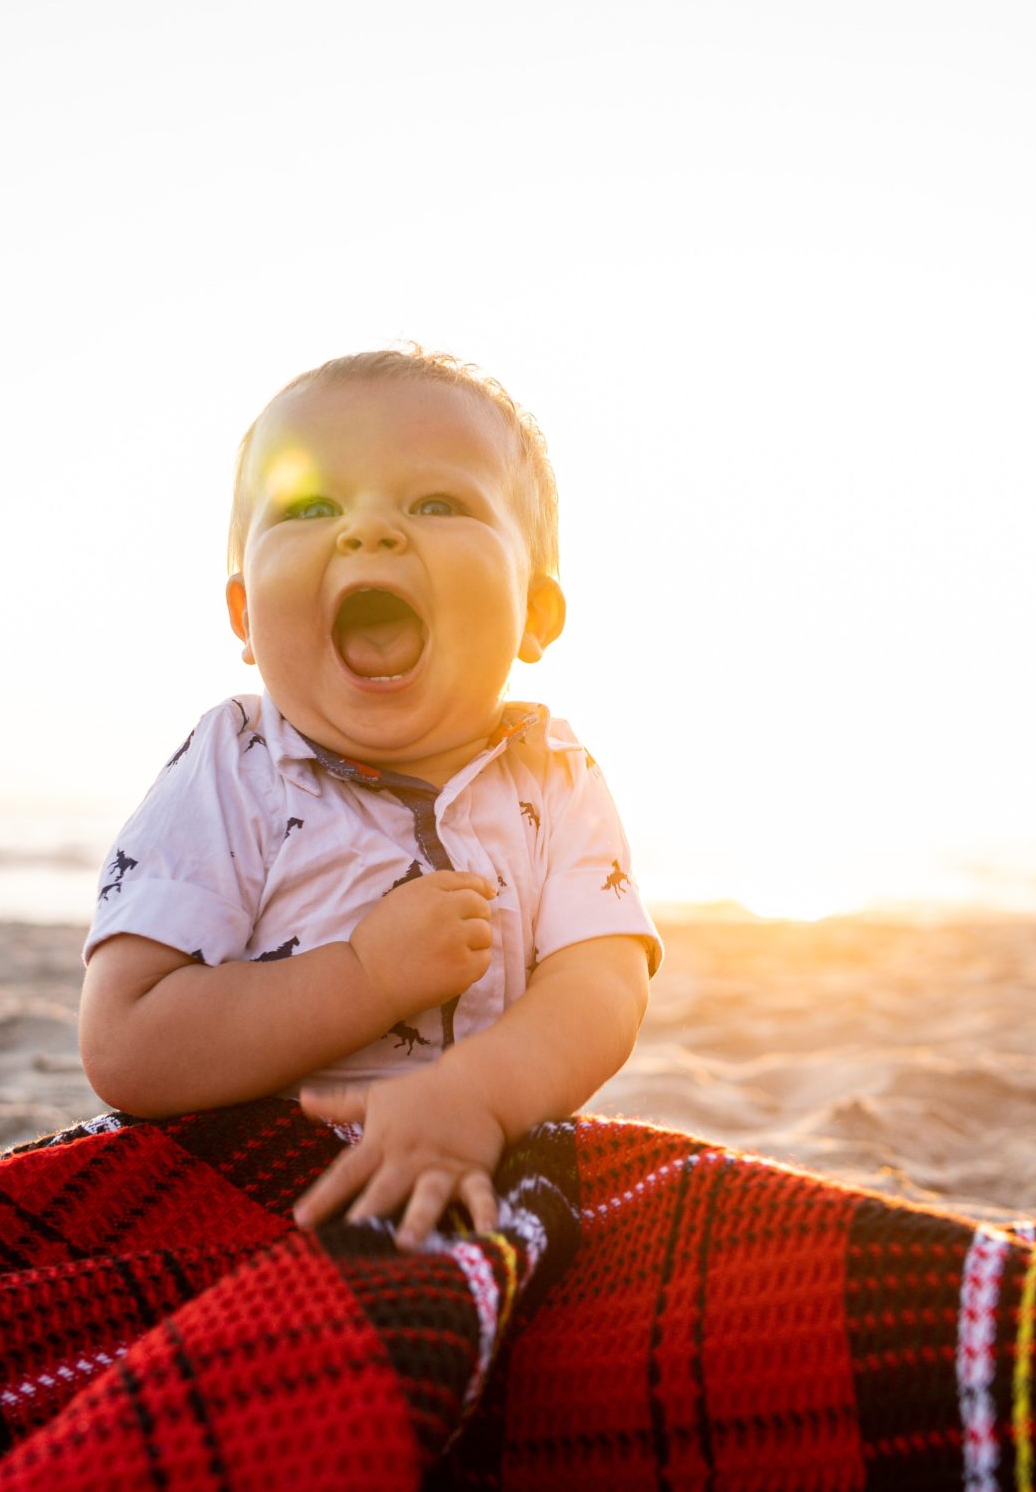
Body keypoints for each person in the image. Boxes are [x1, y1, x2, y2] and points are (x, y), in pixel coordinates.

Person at [78, 349, 660, 1249]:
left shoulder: (555, 771)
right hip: (246, 1181)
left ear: (535, 610)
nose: (369, 530)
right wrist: (364, 978)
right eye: (312, 506)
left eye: (437, 502)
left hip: (484, 1156)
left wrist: (478, 1094)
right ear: (243, 612)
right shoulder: (234, 761)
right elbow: (127, 1039)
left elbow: (604, 984)